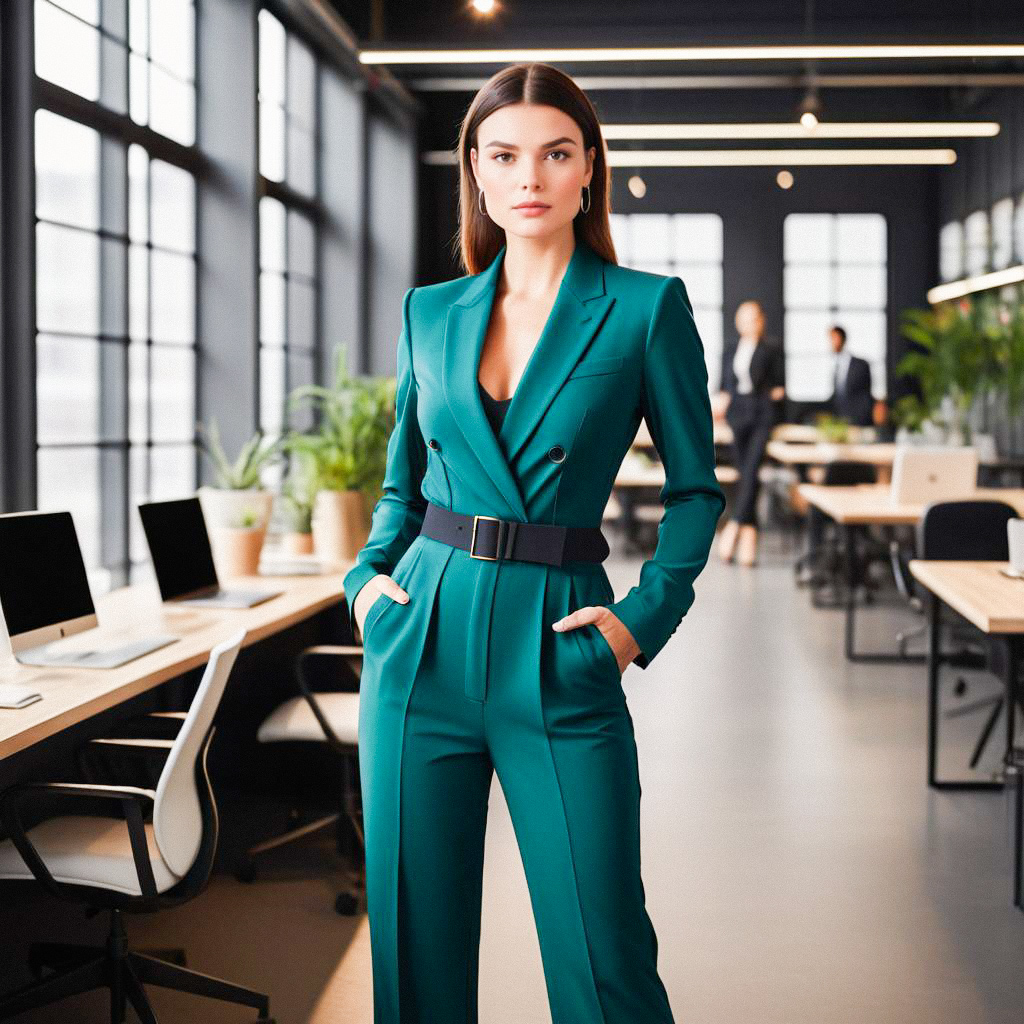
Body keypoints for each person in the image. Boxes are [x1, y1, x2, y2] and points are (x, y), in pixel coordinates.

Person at [342, 62, 725, 1024]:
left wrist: (642, 621)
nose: (531, 178)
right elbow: (402, 480)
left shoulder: (644, 308)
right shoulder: (430, 312)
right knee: (413, 953)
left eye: (556, 153)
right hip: (419, 635)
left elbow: (695, 493)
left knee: (605, 960)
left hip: (560, 642)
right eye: (505, 155)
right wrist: (364, 580)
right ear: (475, 169)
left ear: (589, 167)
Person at [711, 301, 786, 567]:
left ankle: (733, 527)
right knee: (746, 473)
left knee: (751, 471)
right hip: (737, 416)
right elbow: (724, 386)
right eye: (744, 318)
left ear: (761, 320)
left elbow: (780, 387)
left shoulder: (771, 349)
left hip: (761, 415)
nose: (749, 323)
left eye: (754, 317)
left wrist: (770, 396)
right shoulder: (731, 350)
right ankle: (749, 533)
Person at [827, 324, 874, 427]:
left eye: (833, 338)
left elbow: (867, 394)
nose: (830, 343)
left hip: (859, 420)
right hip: (840, 419)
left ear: (841, 339)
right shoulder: (835, 366)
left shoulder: (861, 365)